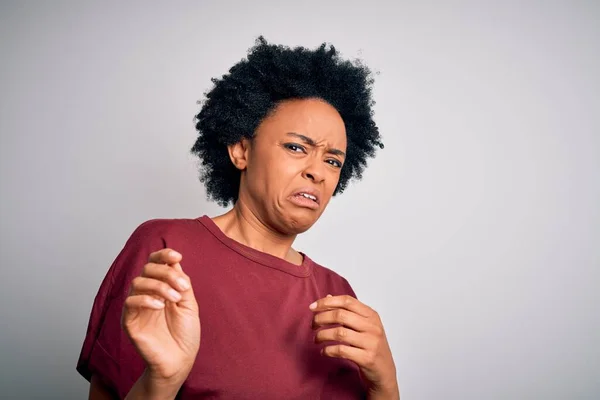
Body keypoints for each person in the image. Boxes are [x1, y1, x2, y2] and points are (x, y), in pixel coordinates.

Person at [77, 37, 399, 400]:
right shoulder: (167, 251)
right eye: (296, 147)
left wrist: (385, 383)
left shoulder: (336, 292)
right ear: (241, 150)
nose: (318, 172)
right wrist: (162, 382)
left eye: (333, 161)